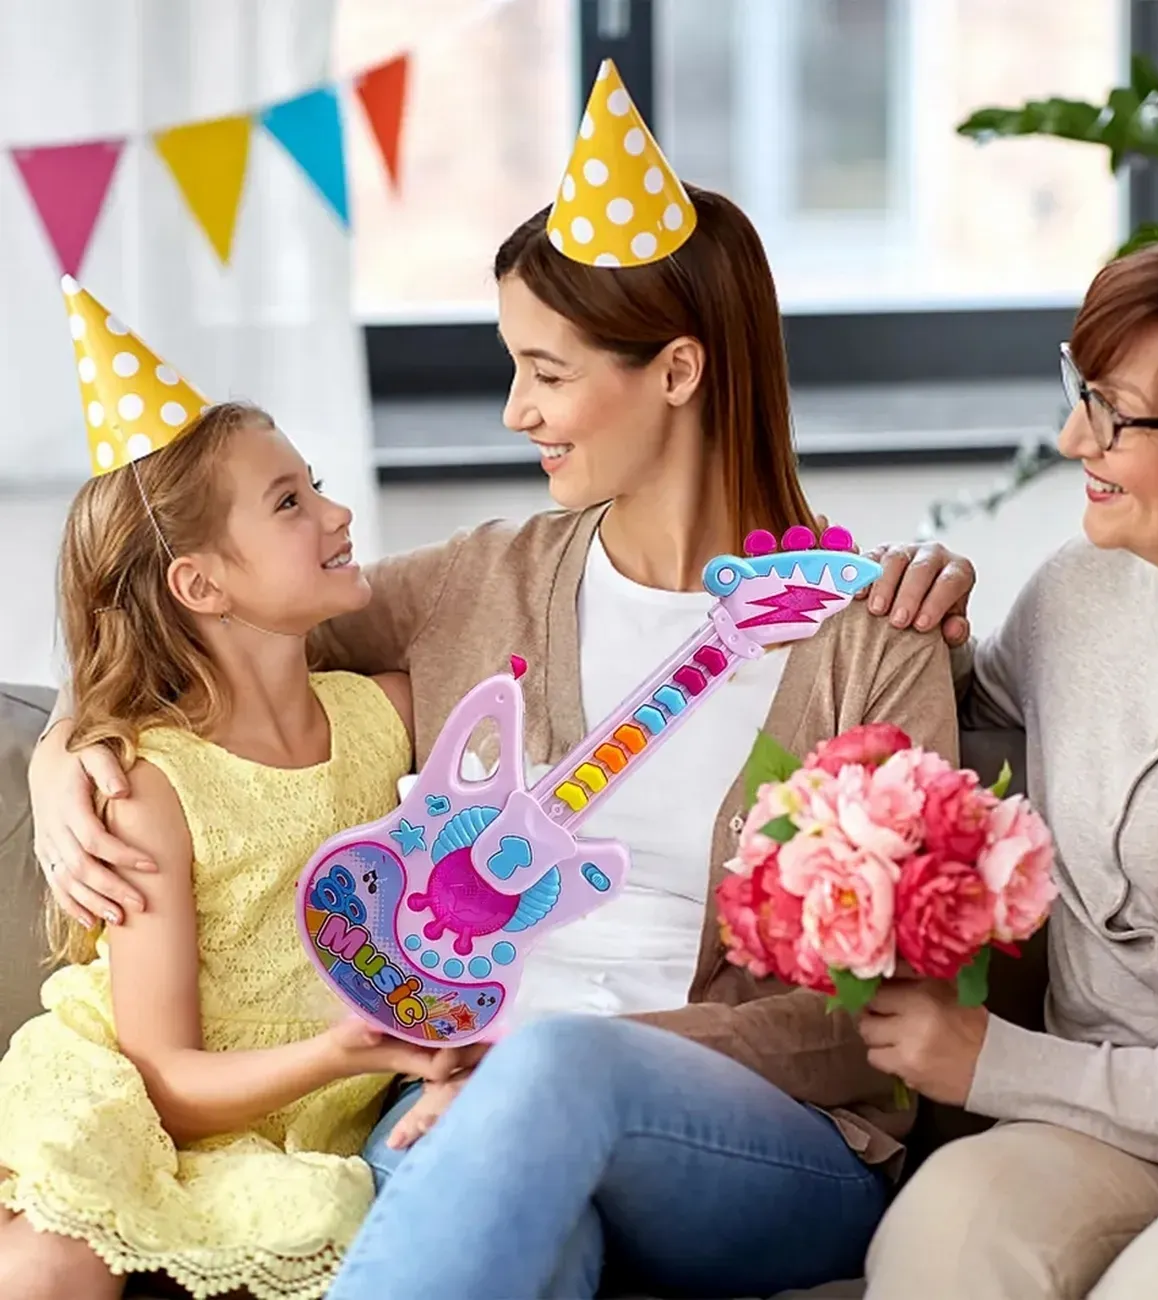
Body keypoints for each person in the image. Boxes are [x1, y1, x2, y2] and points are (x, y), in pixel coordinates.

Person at [30, 63, 958, 1300]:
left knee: (551, 1078)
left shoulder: (866, 640)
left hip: (754, 1144)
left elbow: (879, 1019)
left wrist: (534, 1054)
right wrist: (60, 751)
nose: (516, 408)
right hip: (464, 1115)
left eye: (548, 370)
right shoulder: (480, 582)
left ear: (676, 373)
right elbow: (200, 638)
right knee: (523, 1218)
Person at [848, 177, 1158, 1294]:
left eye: (1117, 415)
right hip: (1092, 1105)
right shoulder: (1084, 586)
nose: (1069, 438)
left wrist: (1002, 1063)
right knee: (939, 1238)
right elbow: (985, 737)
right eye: (1080, 390)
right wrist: (925, 642)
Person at [0, 283, 457, 1300]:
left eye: (316, 485)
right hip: (142, 1103)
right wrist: (337, 1048)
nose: (339, 514)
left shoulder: (392, 715)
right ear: (201, 585)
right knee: (54, 1250)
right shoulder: (152, 788)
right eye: (290, 501)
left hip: (304, 1133)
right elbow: (163, 1079)